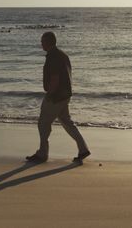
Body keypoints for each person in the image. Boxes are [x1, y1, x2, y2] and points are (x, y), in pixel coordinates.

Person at [26, 32, 90, 163]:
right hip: (65, 95)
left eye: (43, 41)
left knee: (43, 123)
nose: (41, 44)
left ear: (49, 42)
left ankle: (42, 153)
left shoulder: (53, 57)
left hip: (56, 96)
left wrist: (49, 94)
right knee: (67, 123)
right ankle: (83, 149)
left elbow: (55, 78)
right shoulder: (62, 55)